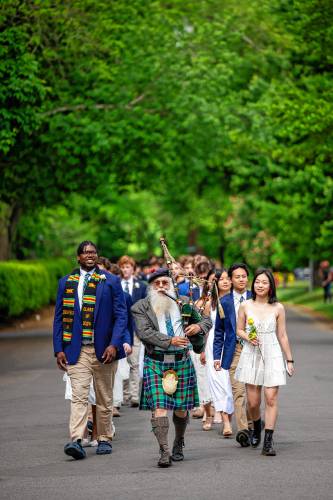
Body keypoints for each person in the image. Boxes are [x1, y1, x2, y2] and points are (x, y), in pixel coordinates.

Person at [53, 241, 128, 460]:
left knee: (104, 397)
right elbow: (59, 319)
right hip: (77, 350)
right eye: (85, 252)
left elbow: (121, 315)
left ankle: (104, 438)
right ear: (78, 257)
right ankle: (76, 439)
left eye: (93, 252)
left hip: (104, 349)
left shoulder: (111, 281)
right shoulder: (66, 282)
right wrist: (58, 349)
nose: (90, 255)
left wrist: (114, 344)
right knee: (79, 396)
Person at [131, 268, 212, 468]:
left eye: (165, 283)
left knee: (181, 409)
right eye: (157, 283)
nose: (161, 287)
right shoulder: (140, 307)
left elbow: (207, 320)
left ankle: (178, 442)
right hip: (156, 361)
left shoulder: (183, 302)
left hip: (181, 361)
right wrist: (171, 340)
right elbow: (145, 332)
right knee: (159, 407)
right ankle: (164, 450)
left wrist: (198, 327)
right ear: (151, 286)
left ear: (171, 284)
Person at [235, 268, 295, 456]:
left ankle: (268, 442)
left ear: (271, 286)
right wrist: (247, 337)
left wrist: (289, 359)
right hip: (251, 353)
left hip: (272, 353)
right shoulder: (245, 305)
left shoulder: (278, 308)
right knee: (253, 403)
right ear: (254, 284)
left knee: (271, 398)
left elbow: (283, 335)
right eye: (258, 282)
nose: (260, 285)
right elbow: (239, 330)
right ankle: (255, 427)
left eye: (264, 282)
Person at [213, 263, 252, 447]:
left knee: (253, 394)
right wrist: (216, 356)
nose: (241, 279)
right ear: (231, 279)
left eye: (244, 276)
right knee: (239, 392)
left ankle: (253, 426)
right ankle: (243, 430)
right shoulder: (225, 302)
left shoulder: (256, 298)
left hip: (254, 350)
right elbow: (219, 332)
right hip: (234, 350)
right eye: (237, 276)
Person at [199, 269, 234, 435]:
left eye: (228, 279)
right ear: (216, 283)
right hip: (214, 345)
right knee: (219, 383)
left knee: (232, 384)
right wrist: (203, 350)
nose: (225, 282)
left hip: (233, 343)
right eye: (222, 279)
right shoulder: (209, 304)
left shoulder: (238, 301)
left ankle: (235, 418)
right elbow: (206, 329)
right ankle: (226, 422)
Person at [117, 255, 147, 407]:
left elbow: (145, 308)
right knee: (122, 362)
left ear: (133, 268)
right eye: (122, 267)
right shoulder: (116, 285)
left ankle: (135, 394)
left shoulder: (140, 286)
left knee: (134, 362)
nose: (125, 269)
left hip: (136, 328)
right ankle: (124, 393)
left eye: (127, 267)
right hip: (120, 329)